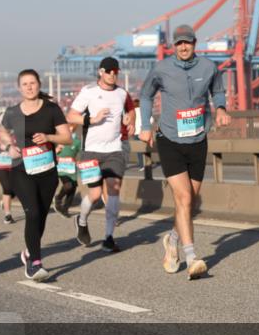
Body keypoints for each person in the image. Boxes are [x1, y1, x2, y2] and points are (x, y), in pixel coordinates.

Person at [139, 24, 230, 279]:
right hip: (169, 139)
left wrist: (221, 109)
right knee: (185, 198)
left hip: (198, 139)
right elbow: (145, 96)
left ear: (194, 43)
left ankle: (172, 240)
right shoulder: (161, 69)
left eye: (187, 42)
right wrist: (145, 126)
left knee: (189, 201)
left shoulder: (209, 67)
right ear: (173, 46)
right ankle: (192, 257)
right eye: (179, 43)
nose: (183, 47)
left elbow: (218, 91)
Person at [0, 69, 72, 282]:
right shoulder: (13, 112)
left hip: (47, 170)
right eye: (25, 84)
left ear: (39, 85)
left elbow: (66, 137)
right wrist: (7, 145)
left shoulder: (51, 109)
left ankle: (30, 251)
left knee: (40, 215)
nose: (29, 87)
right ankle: (35, 263)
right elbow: (2, 131)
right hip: (22, 169)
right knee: (31, 213)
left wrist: (48, 136)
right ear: (19, 87)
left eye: (33, 83)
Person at [67, 57, 135, 253]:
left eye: (116, 72)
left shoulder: (122, 93)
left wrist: (131, 121)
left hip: (114, 150)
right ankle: (81, 220)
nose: (113, 75)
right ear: (100, 72)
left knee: (113, 190)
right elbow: (71, 116)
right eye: (109, 71)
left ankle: (109, 237)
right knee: (95, 194)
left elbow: (130, 109)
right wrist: (91, 119)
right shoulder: (89, 92)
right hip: (91, 151)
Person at [53, 126, 81, 217]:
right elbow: (48, 150)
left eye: (71, 126)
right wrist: (56, 151)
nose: (70, 127)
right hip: (60, 167)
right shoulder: (58, 139)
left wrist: (79, 161)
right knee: (68, 185)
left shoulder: (77, 141)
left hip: (71, 168)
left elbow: (79, 153)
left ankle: (65, 209)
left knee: (73, 188)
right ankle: (58, 198)